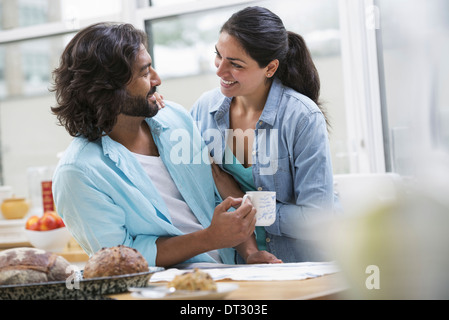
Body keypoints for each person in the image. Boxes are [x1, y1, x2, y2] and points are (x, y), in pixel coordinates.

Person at [50, 22, 281, 267]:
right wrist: (210, 238)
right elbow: (121, 257)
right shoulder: (78, 174)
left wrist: (249, 252)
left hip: (229, 272)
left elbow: (215, 200)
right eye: (144, 72)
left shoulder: (175, 117)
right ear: (108, 89)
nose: (157, 79)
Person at [190, 6, 339, 263]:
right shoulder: (205, 109)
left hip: (298, 264)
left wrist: (248, 208)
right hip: (234, 263)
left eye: (235, 64)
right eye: (218, 55)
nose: (220, 70)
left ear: (270, 68)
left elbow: (317, 220)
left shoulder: (301, 117)